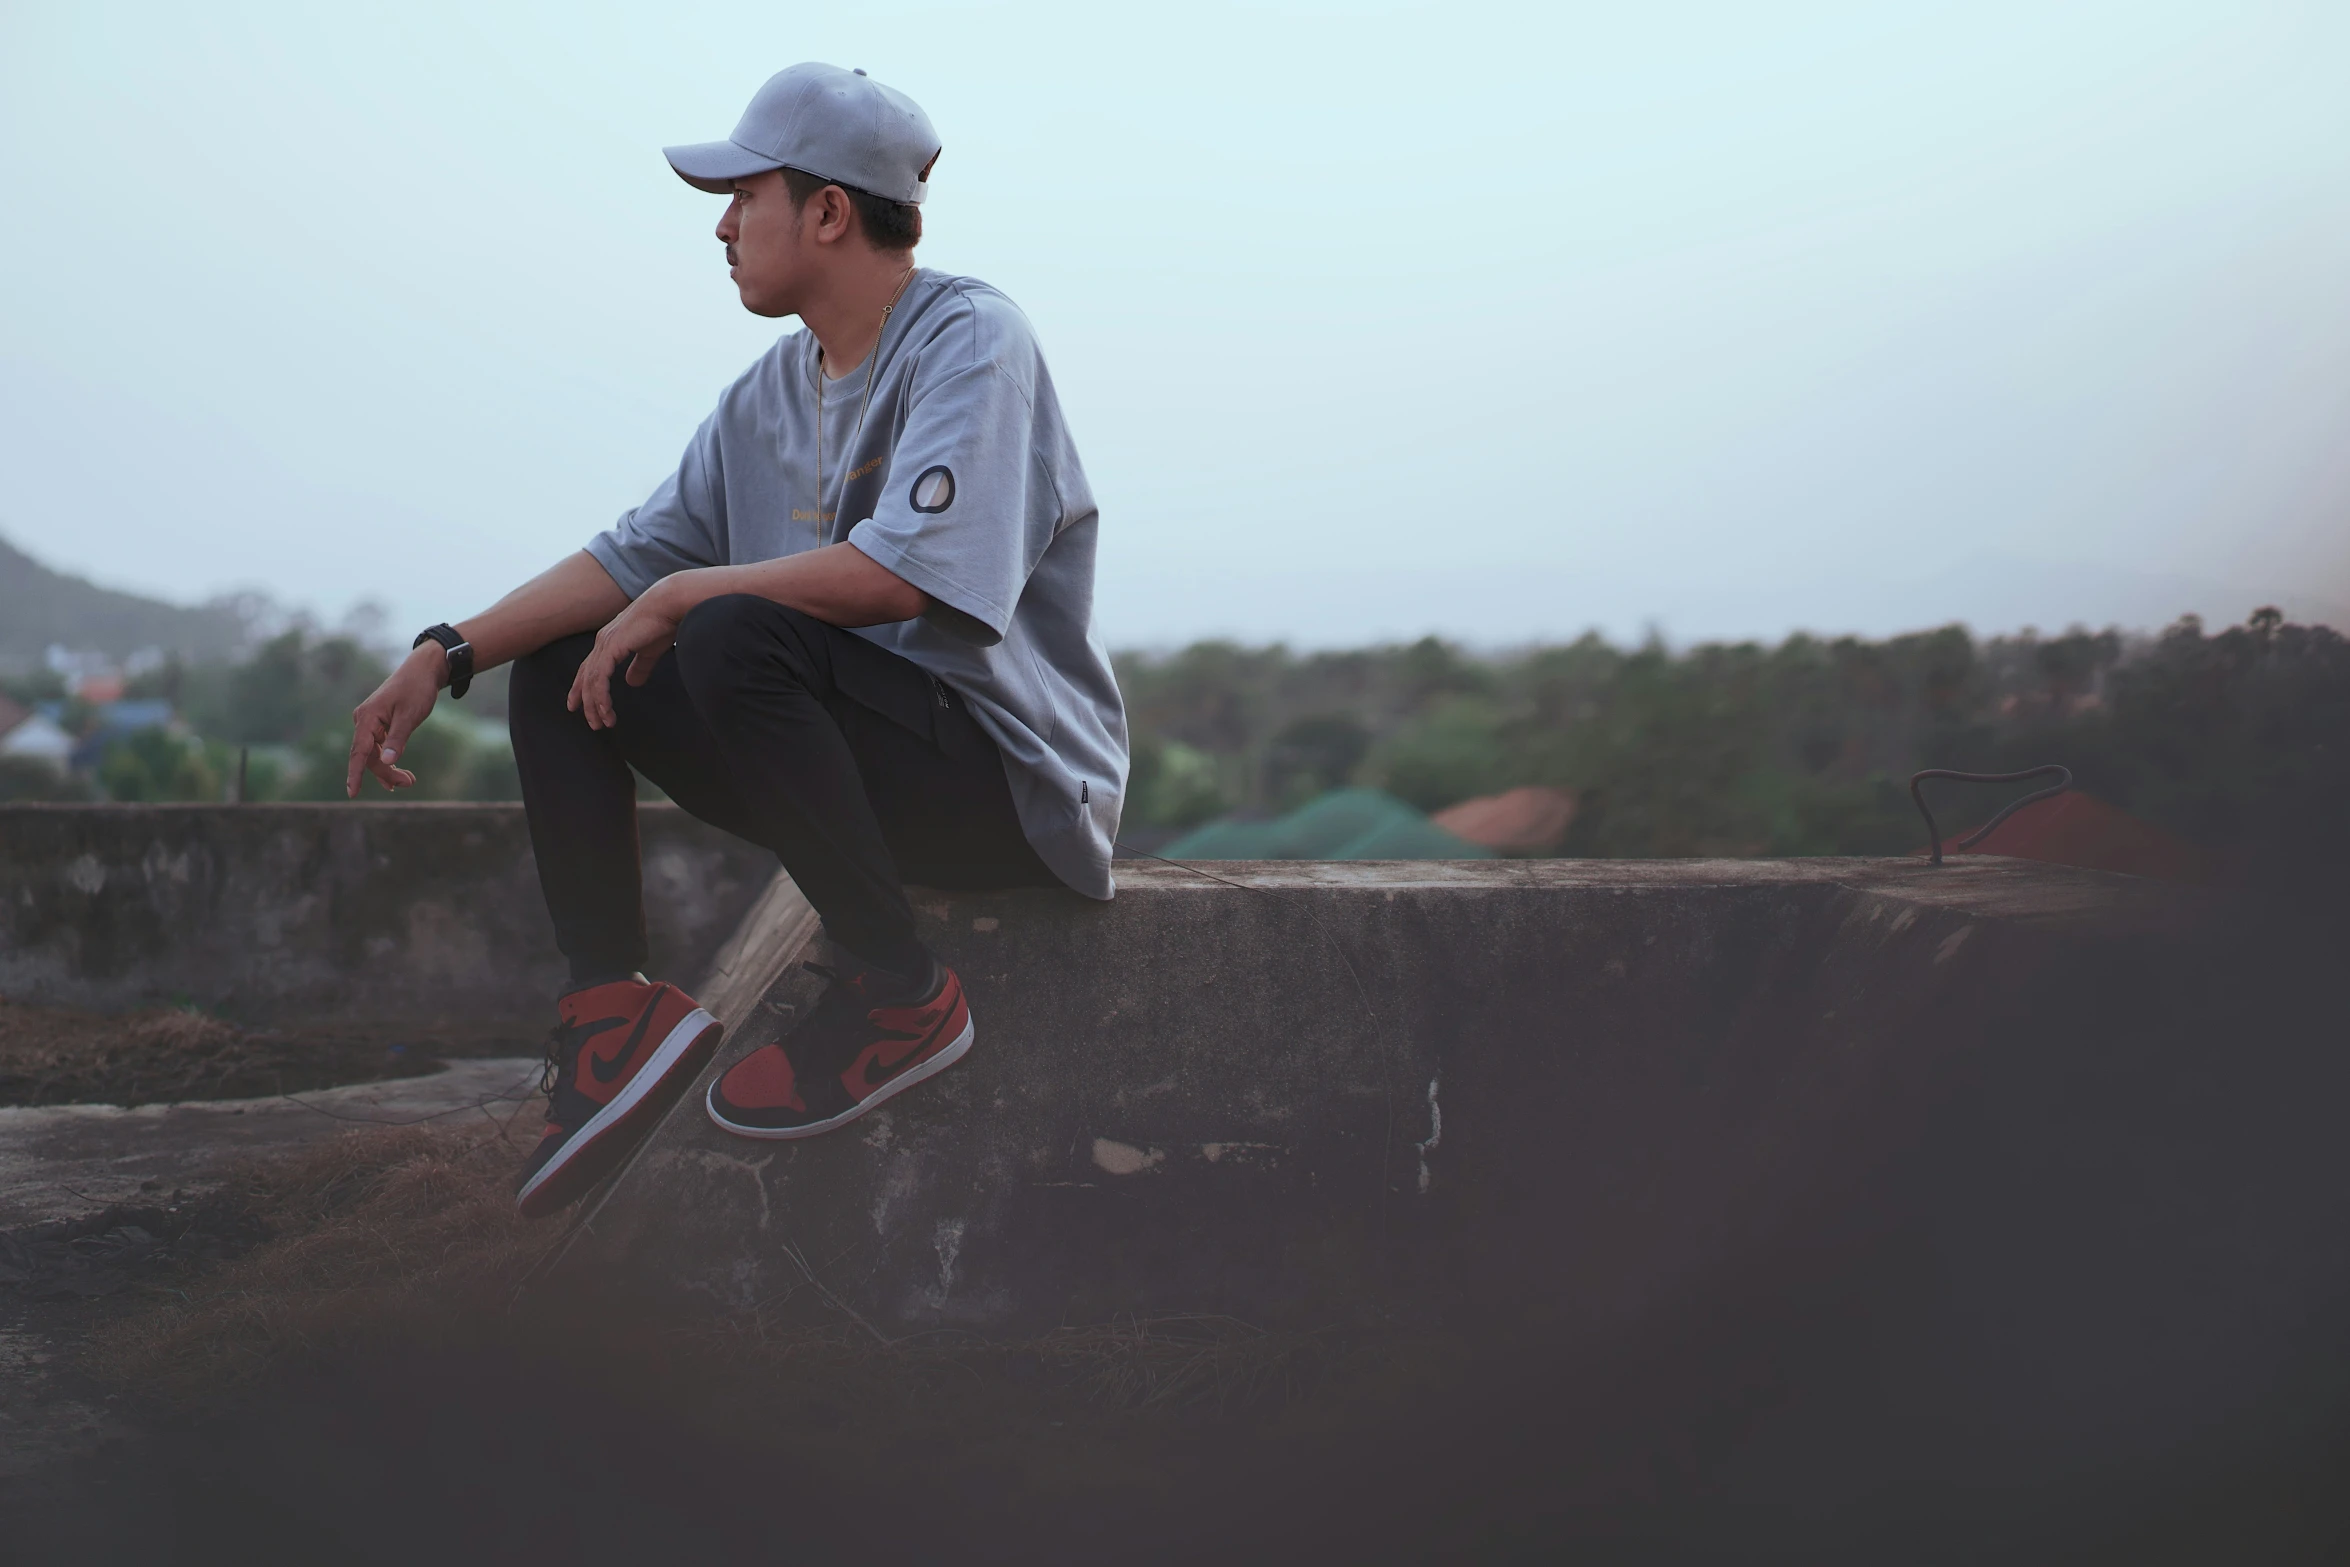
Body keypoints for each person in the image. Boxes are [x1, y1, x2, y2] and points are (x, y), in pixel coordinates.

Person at [344, 63, 1127, 1219]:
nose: (721, 224)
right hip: (852, 770)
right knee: (569, 660)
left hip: (1003, 784)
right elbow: (629, 559)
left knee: (727, 628)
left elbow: (896, 577)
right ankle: (613, 1016)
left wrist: (683, 598)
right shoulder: (769, 391)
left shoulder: (970, 340)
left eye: (741, 195)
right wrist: (448, 650)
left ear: (825, 210)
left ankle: (899, 996)